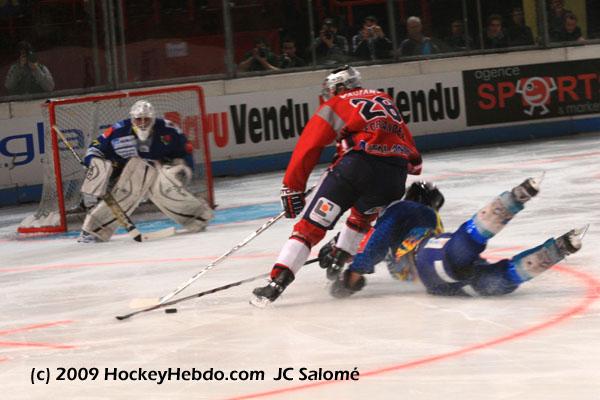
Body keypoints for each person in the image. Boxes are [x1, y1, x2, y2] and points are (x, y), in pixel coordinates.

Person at [251, 65, 422, 306]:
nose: (330, 94)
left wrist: (292, 187)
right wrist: (412, 163)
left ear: (340, 87)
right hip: (394, 175)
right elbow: (408, 147)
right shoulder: (384, 98)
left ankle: (277, 282)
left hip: (354, 168)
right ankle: (338, 260)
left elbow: (309, 145)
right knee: (361, 219)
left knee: (310, 227)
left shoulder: (337, 103)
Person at [327, 177, 586, 298]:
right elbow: (375, 243)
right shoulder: (419, 213)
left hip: (437, 283)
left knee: (490, 278)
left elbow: (374, 244)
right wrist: (346, 259)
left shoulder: (404, 211)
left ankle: (548, 239)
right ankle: (550, 241)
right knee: (480, 263)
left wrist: (349, 273)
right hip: (435, 267)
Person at [78, 100, 213, 243]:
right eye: (138, 119)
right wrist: (92, 162)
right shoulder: (118, 130)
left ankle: (196, 217)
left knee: (163, 185)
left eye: (146, 119)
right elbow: (95, 148)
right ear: (132, 119)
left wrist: (183, 169)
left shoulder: (169, 129)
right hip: (125, 174)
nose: (142, 123)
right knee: (129, 188)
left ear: (153, 119)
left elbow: (185, 152)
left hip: (161, 170)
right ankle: (94, 230)